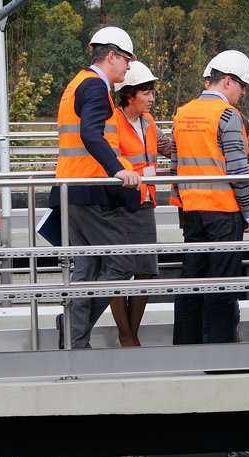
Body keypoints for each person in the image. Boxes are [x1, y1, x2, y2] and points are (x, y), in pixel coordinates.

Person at [50, 26, 141, 349]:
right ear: (112, 56)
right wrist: (118, 170)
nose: (128, 66)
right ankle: (75, 329)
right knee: (121, 263)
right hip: (89, 189)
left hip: (71, 187)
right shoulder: (94, 86)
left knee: (86, 269)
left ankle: (75, 339)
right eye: (127, 59)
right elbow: (90, 134)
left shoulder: (77, 82)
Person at [171, 50, 249, 345]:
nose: (243, 93)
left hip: (191, 212)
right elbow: (238, 170)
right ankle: (221, 354)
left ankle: (187, 349)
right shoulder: (228, 115)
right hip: (223, 212)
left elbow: (175, 165)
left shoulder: (182, 113)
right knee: (222, 285)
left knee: (191, 281)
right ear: (229, 81)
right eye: (242, 86)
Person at [108, 61, 173, 346]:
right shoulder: (113, 121)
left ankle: (131, 334)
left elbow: (168, 147)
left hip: (146, 203)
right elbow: (110, 156)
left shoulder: (148, 122)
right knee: (119, 270)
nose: (151, 98)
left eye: (152, 92)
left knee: (146, 270)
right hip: (119, 205)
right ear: (129, 94)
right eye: (146, 93)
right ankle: (126, 335)